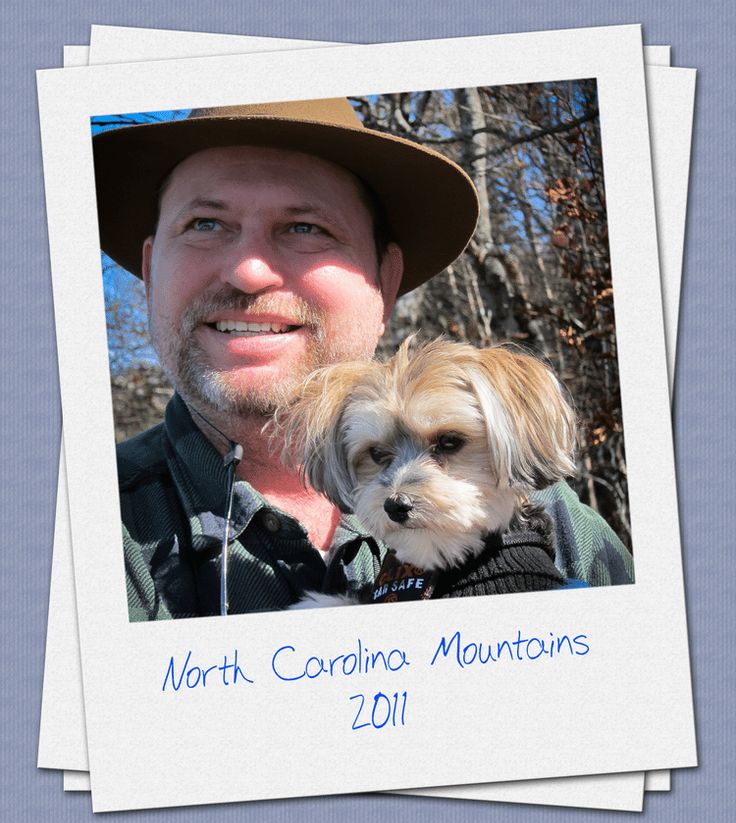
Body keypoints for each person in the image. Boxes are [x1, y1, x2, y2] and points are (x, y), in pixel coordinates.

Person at [93, 98, 634, 621]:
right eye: (205, 224)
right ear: (148, 271)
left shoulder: (558, 524)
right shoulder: (82, 535)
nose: (248, 271)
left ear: (386, 281)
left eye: (306, 227)